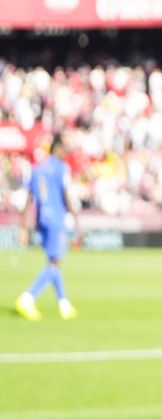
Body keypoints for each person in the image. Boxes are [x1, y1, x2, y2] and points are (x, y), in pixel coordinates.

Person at [15, 134, 79, 321]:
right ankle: (28, 298)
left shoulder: (37, 168)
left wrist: (24, 228)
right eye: (65, 148)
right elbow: (66, 195)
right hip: (56, 219)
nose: (66, 153)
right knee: (54, 263)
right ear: (57, 147)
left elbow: (29, 200)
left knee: (54, 261)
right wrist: (77, 220)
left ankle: (64, 304)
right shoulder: (60, 168)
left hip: (41, 219)